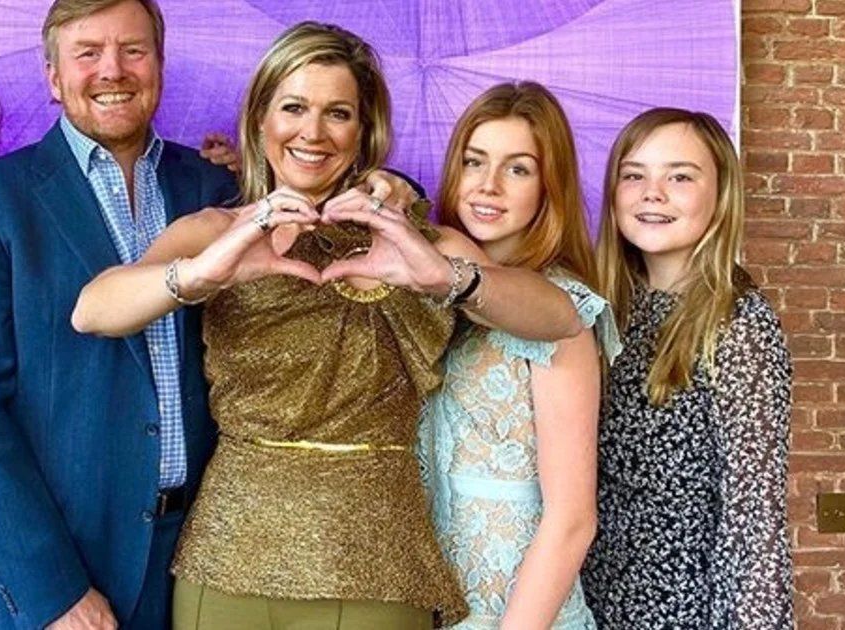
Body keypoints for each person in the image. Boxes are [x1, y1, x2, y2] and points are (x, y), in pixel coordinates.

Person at [73, 23, 584, 629]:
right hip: (226, 559)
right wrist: (204, 272)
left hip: (376, 564)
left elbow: (559, 316)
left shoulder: (415, 238)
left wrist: (443, 277)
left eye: (337, 113)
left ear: (364, 131)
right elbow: (92, 311)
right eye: (293, 108)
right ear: (260, 119)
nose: (312, 133)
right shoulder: (214, 232)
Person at [417, 82, 620, 630]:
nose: (488, 185)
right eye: (474, 161)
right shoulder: (429, 296)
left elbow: (572, 520)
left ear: (549, 186)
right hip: (424, 604)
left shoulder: (561, 312)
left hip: (518, 614)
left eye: (518, 169)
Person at [581, 108, 793, 628]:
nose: (652, 193)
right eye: (634, 175)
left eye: (679, 177)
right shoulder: (602, 307)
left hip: (684, 609)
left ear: (721, 195)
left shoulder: (737, 321)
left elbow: (754, 513)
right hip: (591, 601)